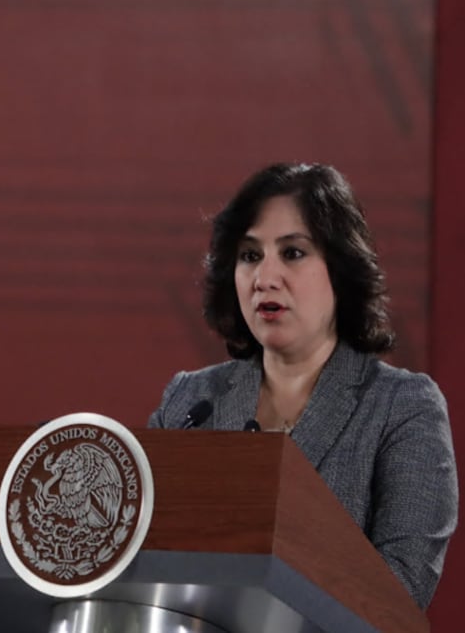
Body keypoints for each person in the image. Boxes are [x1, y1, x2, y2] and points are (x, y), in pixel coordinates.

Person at [148, 162, 458, 609]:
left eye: (292, 253)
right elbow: (143, 559)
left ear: (340, 267)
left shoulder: (402, 406)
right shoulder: (190, 402)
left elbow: (400, 592)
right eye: (250, 256)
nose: (265, 279)